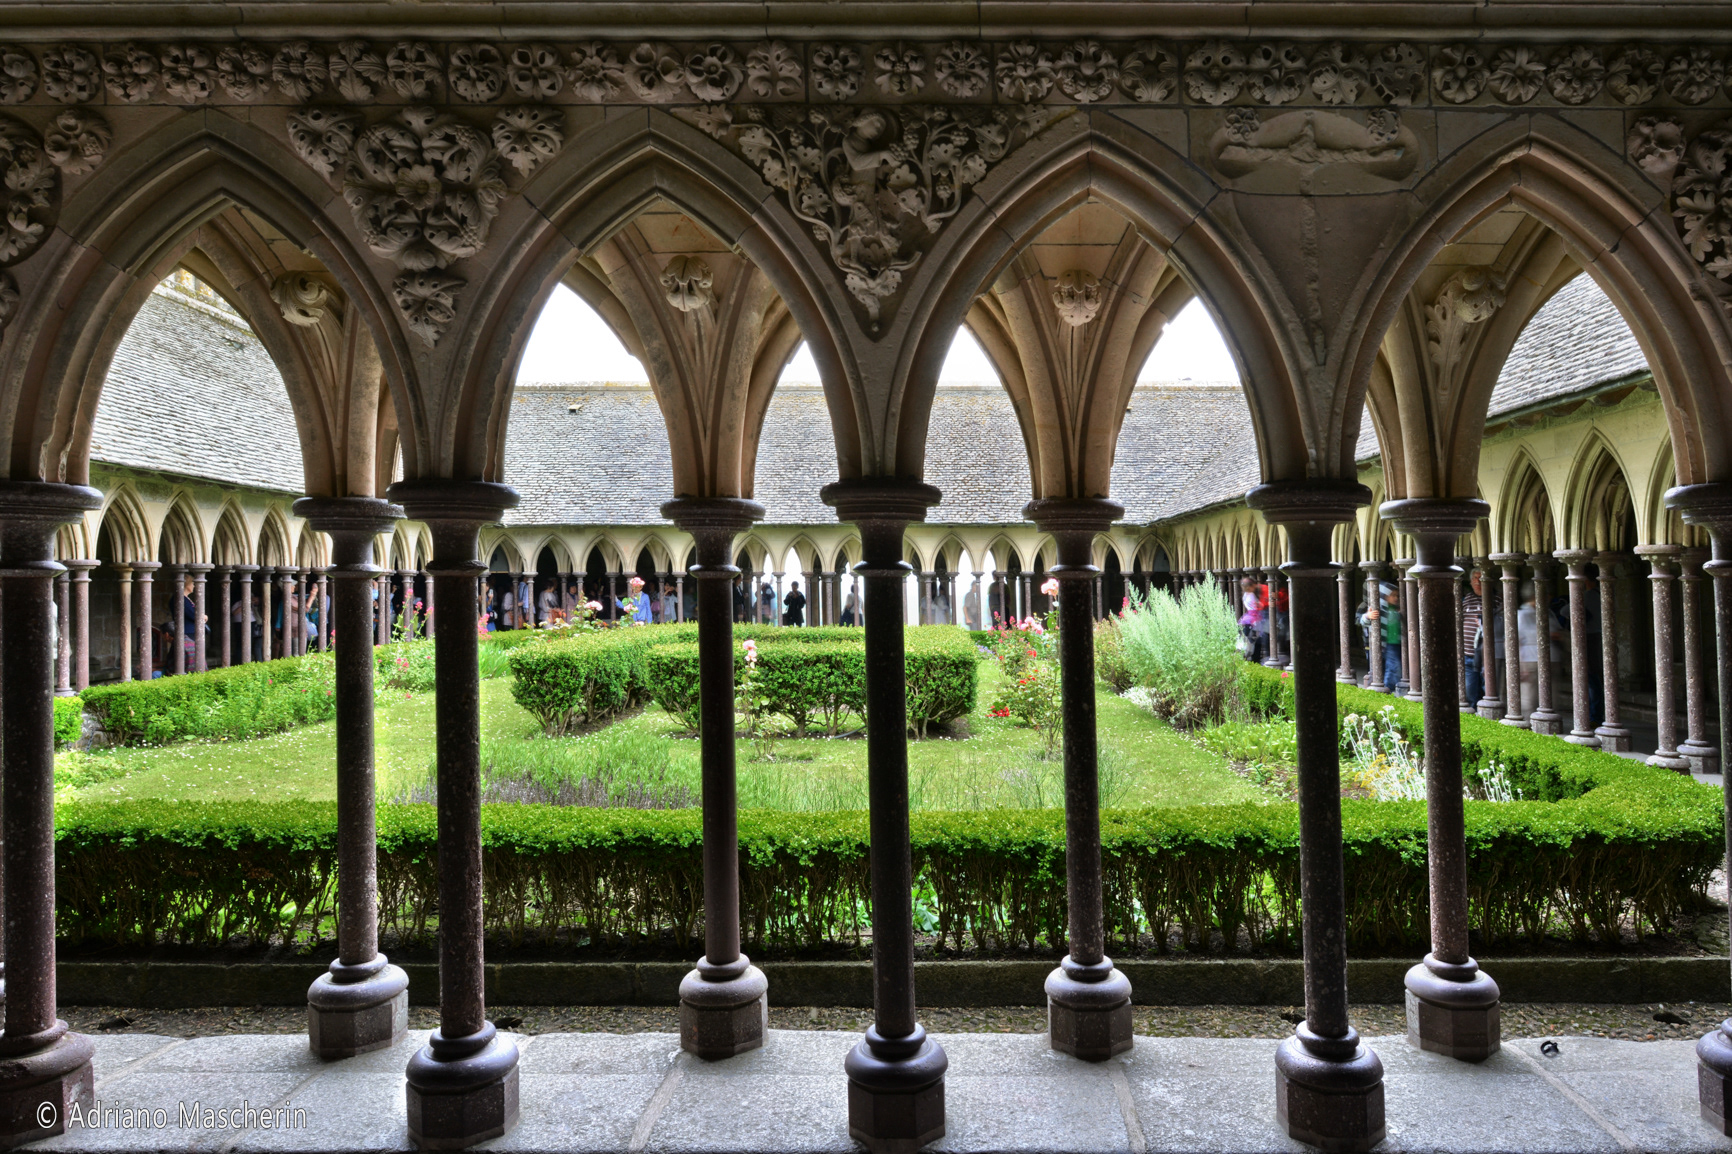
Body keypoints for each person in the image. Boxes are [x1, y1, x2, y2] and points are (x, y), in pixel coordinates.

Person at [1361, 582, 1402, 692]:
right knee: (1384, 668)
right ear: (1384, 595)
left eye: (1397, 595)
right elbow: (1363, 621)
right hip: (1382, 644)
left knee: (1393, 667)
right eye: (1392, 595)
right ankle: (1384, 689)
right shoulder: (1378, 609)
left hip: (1394, 644)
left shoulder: (1396, 610)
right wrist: (1367, 616)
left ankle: (1387, 688)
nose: (1396, 598)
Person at [1515, 580, 1540, 720]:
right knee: (1528, 699)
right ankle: (1528, 725)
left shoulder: (1544, 613)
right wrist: (1521, 665)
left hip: (1543, 661)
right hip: (1528, 661)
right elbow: (1514, 641)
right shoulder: (1522, 615)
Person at [1463, 570, 1485, 705]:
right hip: (1468, 654)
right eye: (1475, 578)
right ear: (1470, 581)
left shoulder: (1496, 599)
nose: (1477, 581)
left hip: (1486, 656)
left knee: (1488, 691)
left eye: (1481, 578)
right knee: (1469, 691)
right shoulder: (1467, 599)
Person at [1238, 576, 1262, 661]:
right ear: (1250, 586)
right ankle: (1255, 659)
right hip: (1253, 619)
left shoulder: (1245, 595)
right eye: (1254, 585)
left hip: (1246, 619)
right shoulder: (1251, 595)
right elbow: (1258, 605)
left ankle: (1245, 657)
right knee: (1256, 640)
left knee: (1246, 640)